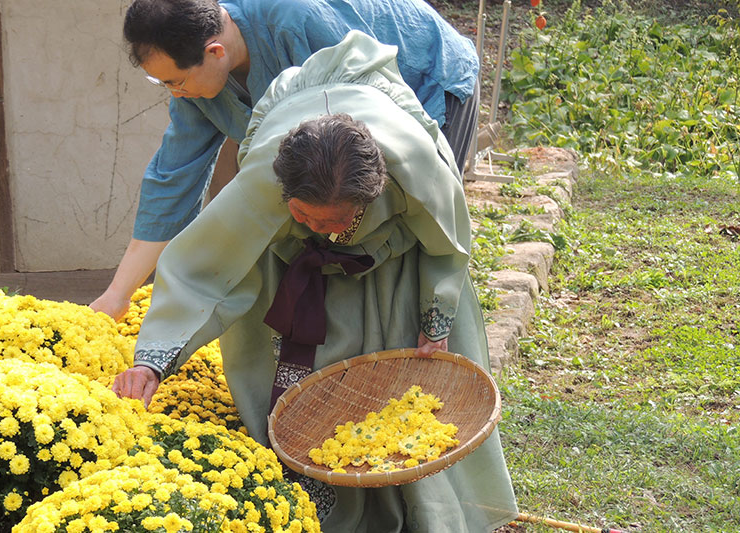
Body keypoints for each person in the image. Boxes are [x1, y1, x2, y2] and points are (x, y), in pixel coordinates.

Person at [112, 32, 515, 532]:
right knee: (300, 389)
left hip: (392, 265)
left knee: (404, 390)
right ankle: (321, 510)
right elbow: (200, 270)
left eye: (334, 222)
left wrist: (435, 321)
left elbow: (446, 247)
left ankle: (424, 513)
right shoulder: (264, 178)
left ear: (373, 196)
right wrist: (152, 363)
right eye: (304, 216)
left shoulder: (414, 167)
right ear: (284, 197)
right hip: (293, 271)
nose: (319, 230)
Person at [90, 0, 481, 321]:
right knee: (330, 235)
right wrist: (118, 295)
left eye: (174, 81)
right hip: (349, 126)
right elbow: (172, 180)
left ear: (215, 52)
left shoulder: (299, 20)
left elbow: (360, 135)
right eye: (164, 84)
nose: (174, 93)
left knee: (403, 224)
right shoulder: (195, 89)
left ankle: (432, 336)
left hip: (426, 78)